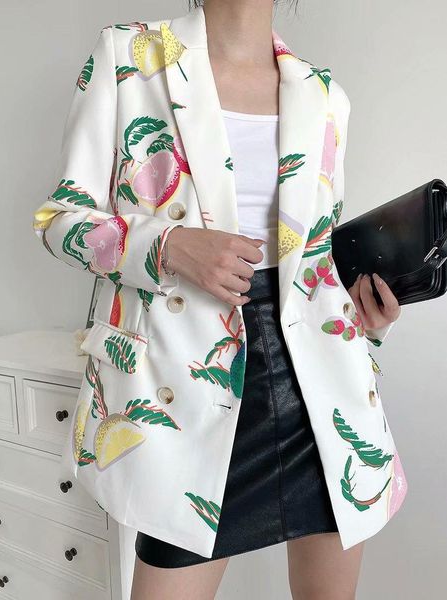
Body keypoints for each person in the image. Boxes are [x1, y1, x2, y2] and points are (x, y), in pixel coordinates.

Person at [33, 1, 404, 598]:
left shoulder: (323, 93)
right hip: (186, 387)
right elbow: (60, 221)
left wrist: (364, 319)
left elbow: (318, 262)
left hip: (320, 395)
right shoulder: (129, 56)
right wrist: (169, 246)